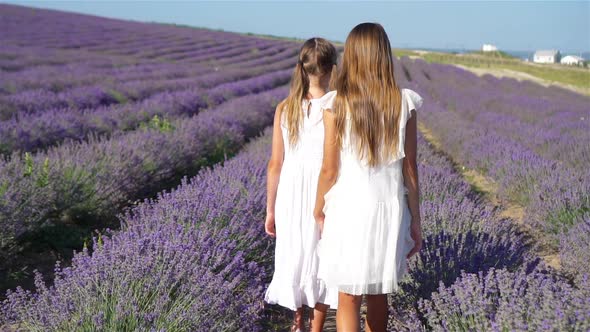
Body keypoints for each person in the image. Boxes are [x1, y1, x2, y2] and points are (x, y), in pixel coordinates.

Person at [313, 23, 423, 332]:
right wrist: (415, 220)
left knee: (347, 295)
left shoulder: (337, 104)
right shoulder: (403, 103)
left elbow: (329, 169)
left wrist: (318, 207)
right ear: (383, 55)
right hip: (388, 207)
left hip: (348, 206)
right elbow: (410, 167)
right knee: (378, 294)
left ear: (353, 56)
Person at [264, 37, 339, 332]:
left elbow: (275, 164)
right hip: (325, 191)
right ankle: (316, 327)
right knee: (322, 257)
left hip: (290, 194)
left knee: (294, 253)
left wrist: (270, 209)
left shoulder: (285, 108)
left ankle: (297, 324)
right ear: (333, 68)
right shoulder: (338, 106)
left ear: (301, 68)